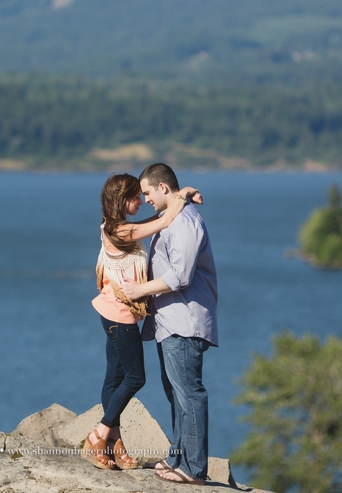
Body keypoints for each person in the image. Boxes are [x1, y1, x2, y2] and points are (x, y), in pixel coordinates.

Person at [83, 173, 201, 470]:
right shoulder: (120, 232)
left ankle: (113, 442)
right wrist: (182, 195)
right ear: (124, 200)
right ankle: (100, 433)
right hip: (120, 317)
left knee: (114, 377)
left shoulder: (116, 225)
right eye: (137, 197)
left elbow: (152, 218)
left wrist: (179, 194)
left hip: (112, 313)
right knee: (136, 378)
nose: (142, 201)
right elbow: (161, 222)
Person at [119, 163, 218, 485]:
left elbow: (181, 275)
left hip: (185, 321)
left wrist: (139, 290)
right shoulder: (172, 218)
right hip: (170, 321)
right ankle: (179, 457)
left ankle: (193, 469)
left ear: (162, 188)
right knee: (176, 392)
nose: (145, 198)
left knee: (189, 392)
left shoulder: (186, 222)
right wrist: (185, 193)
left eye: (147, 192)